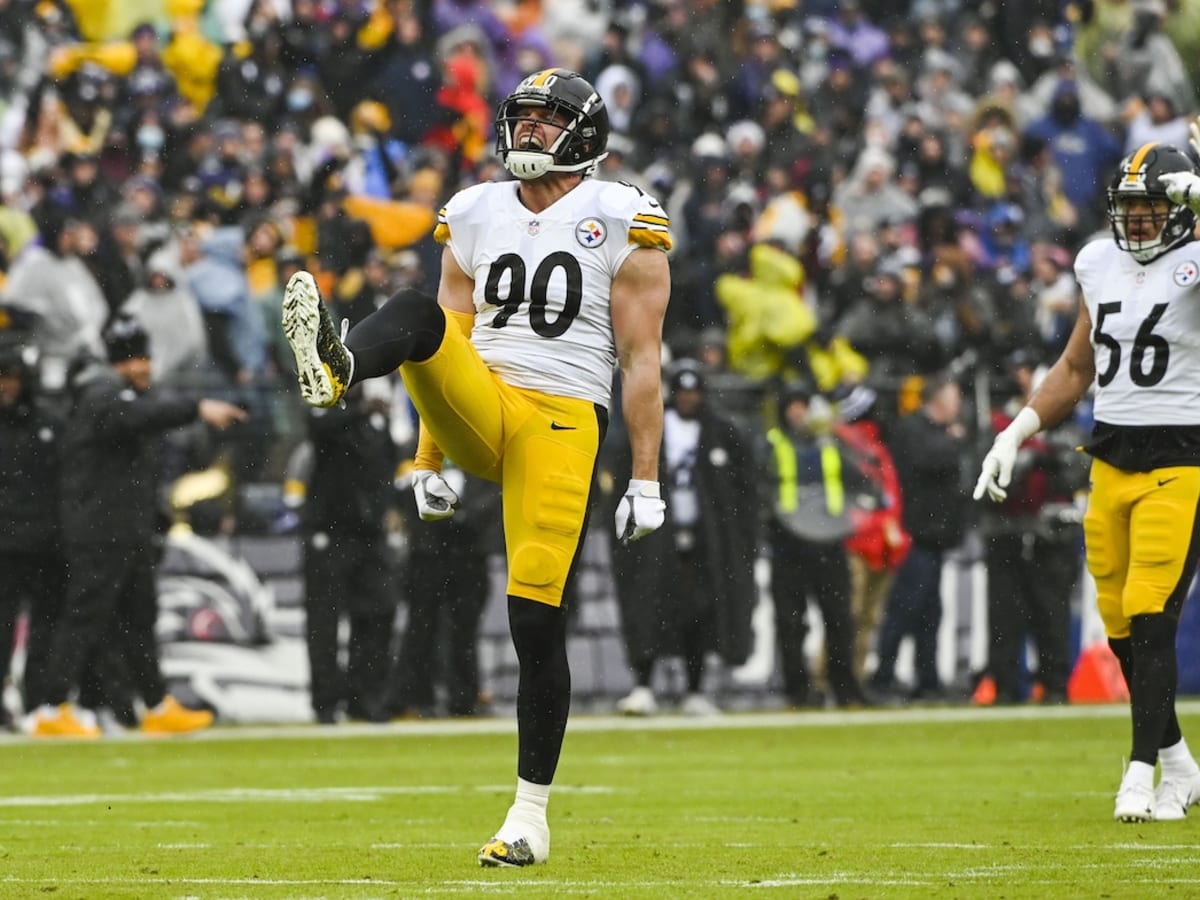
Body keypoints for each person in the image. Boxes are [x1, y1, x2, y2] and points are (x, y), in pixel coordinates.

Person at [282, 68, 670, 866]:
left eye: (545, 122)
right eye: (521, 120)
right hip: (483, 398)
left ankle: (530, 815)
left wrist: (645, 477)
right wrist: (431, 458)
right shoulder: (475, 210)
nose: (527, 134)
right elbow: (448, 333)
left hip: (563, 421)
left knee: (535, 619)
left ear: (583, 134)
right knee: (419, 309)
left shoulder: (622, 215)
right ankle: (341, 366)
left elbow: (640, 360)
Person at [975, 139, 1200, 822]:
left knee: (1151, 610)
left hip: (1182, 456)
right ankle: (1180, 765)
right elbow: (1077, 369)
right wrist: (1015, 431)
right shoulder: (1098, 264)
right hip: (1110, 457)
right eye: (1129, 210)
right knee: (1120, 624)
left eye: (1152, 209)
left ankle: (1138, 769)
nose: (1138, 223)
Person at [31, 314, 247, 738]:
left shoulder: (120, 396)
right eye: (133, 358)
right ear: (116, 362)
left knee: (139, 618)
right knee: (85, 618)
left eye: (145, 357)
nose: (143, 366)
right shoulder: (103, 395)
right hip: (99, 531)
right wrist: (197, 407)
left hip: (125, 530)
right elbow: (139, 417)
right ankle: (49, 707)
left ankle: (154, 702)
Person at [609, 359, 760, 717]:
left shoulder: (722, 433)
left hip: (704, 541)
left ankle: (695, 688)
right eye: (682, 391)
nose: (688, 399)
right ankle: (644, 685)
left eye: (694, 392)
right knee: (649, 607)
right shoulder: (648, 428)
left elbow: (744, 491)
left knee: (700, 614)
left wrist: (739, 536)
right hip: (656, 538)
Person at [974, 349, 1086, 706]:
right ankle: (1006, 686)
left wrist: (1048, 459)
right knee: (1004, 615)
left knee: (1051, 612)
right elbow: (978, 482)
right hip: (1008, 531)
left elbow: (1080, 472)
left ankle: (1054, 685)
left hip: (1051, 533)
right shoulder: (995, 425)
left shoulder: (1066, 427)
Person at [764, 381, 876, 708]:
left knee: (840, 619)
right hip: (788, 545)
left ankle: (845, 688)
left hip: (828, 543)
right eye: (792, 406)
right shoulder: (772, 445)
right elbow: (759, 488)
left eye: (803, 405)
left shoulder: (831, 445)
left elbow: (863, 479)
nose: (799, 413)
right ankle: (797, 691)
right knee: (789, 621)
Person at [300, 382, 400, 725]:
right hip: (329, 531)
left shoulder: (380, 416)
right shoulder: (327, 404)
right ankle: (326, 703)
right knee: (324, 622)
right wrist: (359, 410)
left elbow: (386, 467)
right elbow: (318, 427)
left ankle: (366, 697)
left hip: (369, 534)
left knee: (377, 612)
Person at [869, 373, 967, 702]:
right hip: (914, 536)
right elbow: (926, 460)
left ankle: (927, 679)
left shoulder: (927, 432)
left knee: (929, 612)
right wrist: (953, 442)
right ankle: (884, 676)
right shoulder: (913, 430)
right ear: (938, 400)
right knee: (905, 608)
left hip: (933, 537)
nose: (959, 406)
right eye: (954, 399)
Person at [391, 461, 502, 719]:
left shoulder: (479, 456)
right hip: (428, 554)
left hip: (469, 555)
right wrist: (451, 519)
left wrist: (460, 517)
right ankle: (419, 698)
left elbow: (493, 498)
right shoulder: (419, 454)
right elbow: (406, 496)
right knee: (422, 628)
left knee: (464, 630)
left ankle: (462, 698)